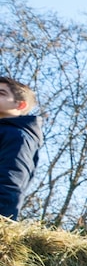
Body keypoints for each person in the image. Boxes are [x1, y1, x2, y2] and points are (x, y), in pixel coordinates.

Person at [0, 77, 43, 221]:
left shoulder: (18, 136)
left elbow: (12, 179)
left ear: (20, 105)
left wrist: (3, 219)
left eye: (1, 93)